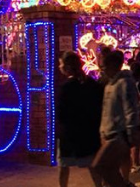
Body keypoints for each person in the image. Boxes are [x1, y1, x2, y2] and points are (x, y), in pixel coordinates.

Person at [92, 51, 140, 187]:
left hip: (119, 134)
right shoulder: (110, 84)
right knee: (109, 169)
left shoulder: (125, 83)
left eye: (104, 67)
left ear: (114, 65)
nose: (102, 70)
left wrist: (131, 133)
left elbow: (130, 109)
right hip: (109, 133)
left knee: (99, 166)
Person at [56, 51, 103, 187]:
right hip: (89, 131)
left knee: (64, 166)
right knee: (92, 165)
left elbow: (61, 113)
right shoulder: (92, 84)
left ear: (67, 67)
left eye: (61, 64)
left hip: (70, 133)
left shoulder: (66, 87)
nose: (60, 66)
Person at [129, 61, 140, 175]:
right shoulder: (138, 85)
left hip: (130, 115)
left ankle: (133, 163)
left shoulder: (129, 83)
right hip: (135, 115)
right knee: (136, 141)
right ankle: (135, 164)